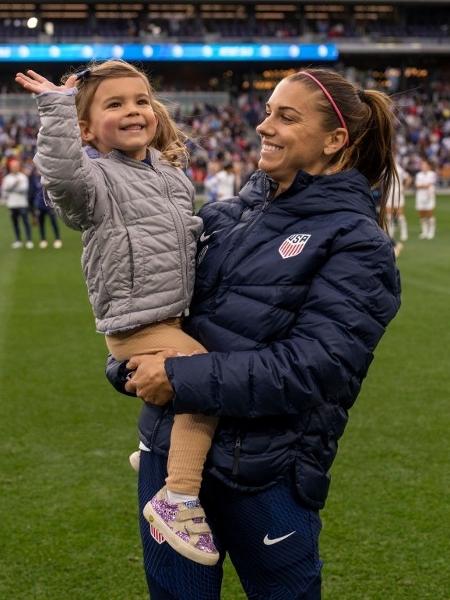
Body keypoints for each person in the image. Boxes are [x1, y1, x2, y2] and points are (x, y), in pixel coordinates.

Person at [106, 68, 401, 599]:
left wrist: (175, 376)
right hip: (168, 452)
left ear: (335, 141)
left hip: (265, 471)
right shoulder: (225, 214)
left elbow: (313, 367)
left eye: (287, 116)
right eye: (267, 111)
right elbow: (164, 312)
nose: (265, 126)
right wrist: (129, 362)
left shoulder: (358, 242)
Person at [15, 60, 221, 566]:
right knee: (210, 383)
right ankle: (178, 496)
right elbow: (61, 173)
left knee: (202, 378)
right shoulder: (95, 181)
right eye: (115, 104)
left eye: (140, 100)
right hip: (135, 323)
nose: (133, 110)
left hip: (173, 316)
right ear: (86, 129)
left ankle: (162, 450)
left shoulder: (172, 176)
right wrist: (57, 110)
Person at [1, 157, 33, 249]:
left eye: (16, 166)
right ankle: (18, 240)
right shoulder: (7, 178)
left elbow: (24, 189)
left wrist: (11, 189)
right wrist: (15, 184)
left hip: (22, 203)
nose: (14, 168)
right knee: (15, 223)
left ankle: (29, 240)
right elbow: (5, 190)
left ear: (18, 167)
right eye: (13, 166)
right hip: (12, 204)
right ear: (10, 167)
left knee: (26, 222)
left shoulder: (23, 177)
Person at [28, 166, 63, 249]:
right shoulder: (34, 178)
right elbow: (32, 193)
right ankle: (43, 239)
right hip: (39, 205)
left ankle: (57, 239)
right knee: (41, 223)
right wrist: (33, 207)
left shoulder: (49, 178)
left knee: (53, 222)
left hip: (49, 205)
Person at [386, 160, 410, 245]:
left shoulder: (399, 168)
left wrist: (404, 187)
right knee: (389, 214)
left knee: (400, 214)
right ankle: (390, 232)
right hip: (389, 193)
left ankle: (404, 233)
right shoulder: (385, 168)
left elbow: (408, 178)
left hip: (398, 193)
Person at [415, 158, 437, 239]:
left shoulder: (432, 174)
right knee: (422, 215)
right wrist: (424, 185)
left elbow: (429, 184)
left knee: (430, 214)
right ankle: (424, 231)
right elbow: (417, 185)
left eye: (425, 165)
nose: (423, 166)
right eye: (422, 165)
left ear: (428, 166)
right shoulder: (418, 175)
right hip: (420, 197)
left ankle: (431, 231)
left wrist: (422, 185)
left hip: (429, 197)